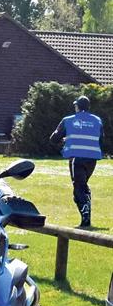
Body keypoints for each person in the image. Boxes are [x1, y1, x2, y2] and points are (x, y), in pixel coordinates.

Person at [50, 95, 102, 227]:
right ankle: (86, 211)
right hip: (92, 159)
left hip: (76, 158)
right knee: (82, 186)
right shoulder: (97, 120)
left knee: (78, 189)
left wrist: (64, 140)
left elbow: (53, 138)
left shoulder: (68, 120)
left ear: (77, 107)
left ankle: (85, 219)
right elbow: (100, 136)